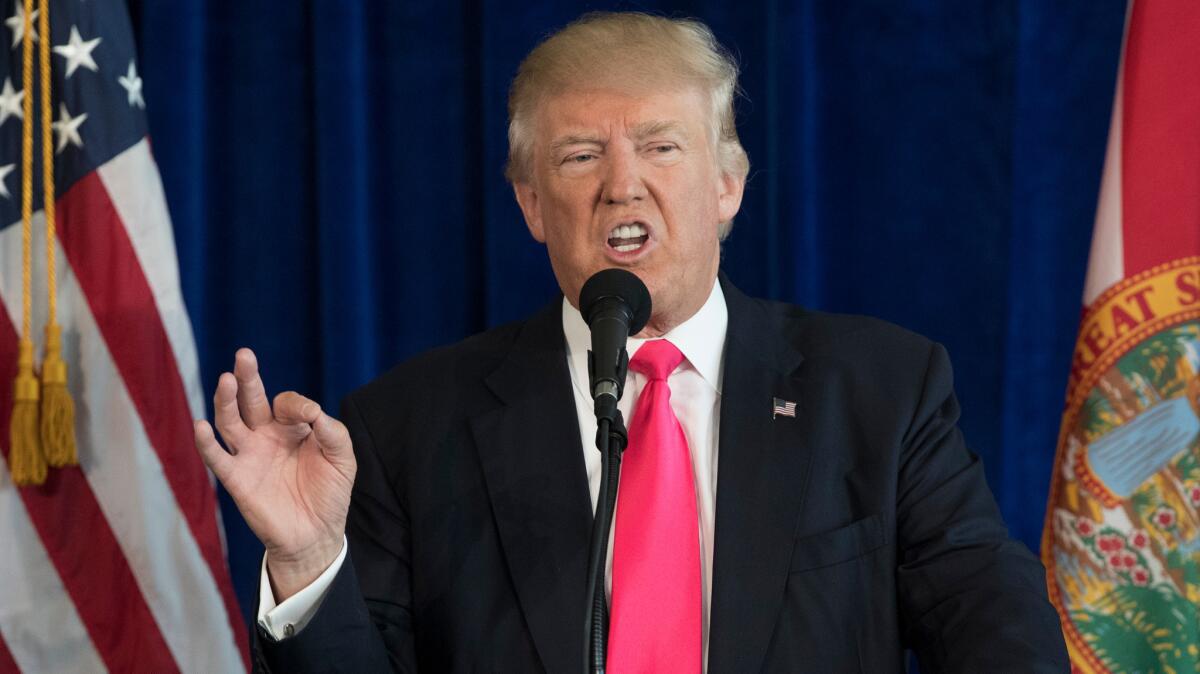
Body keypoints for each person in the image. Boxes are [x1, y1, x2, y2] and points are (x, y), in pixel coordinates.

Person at [194, 11, 1069, 673]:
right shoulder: (408, 427)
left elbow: (993, 627)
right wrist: (309, 562)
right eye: (579, 157)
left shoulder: (881, 389)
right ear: (533, 205)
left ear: (728, 184)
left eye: (660, 147)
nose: (623, 186)